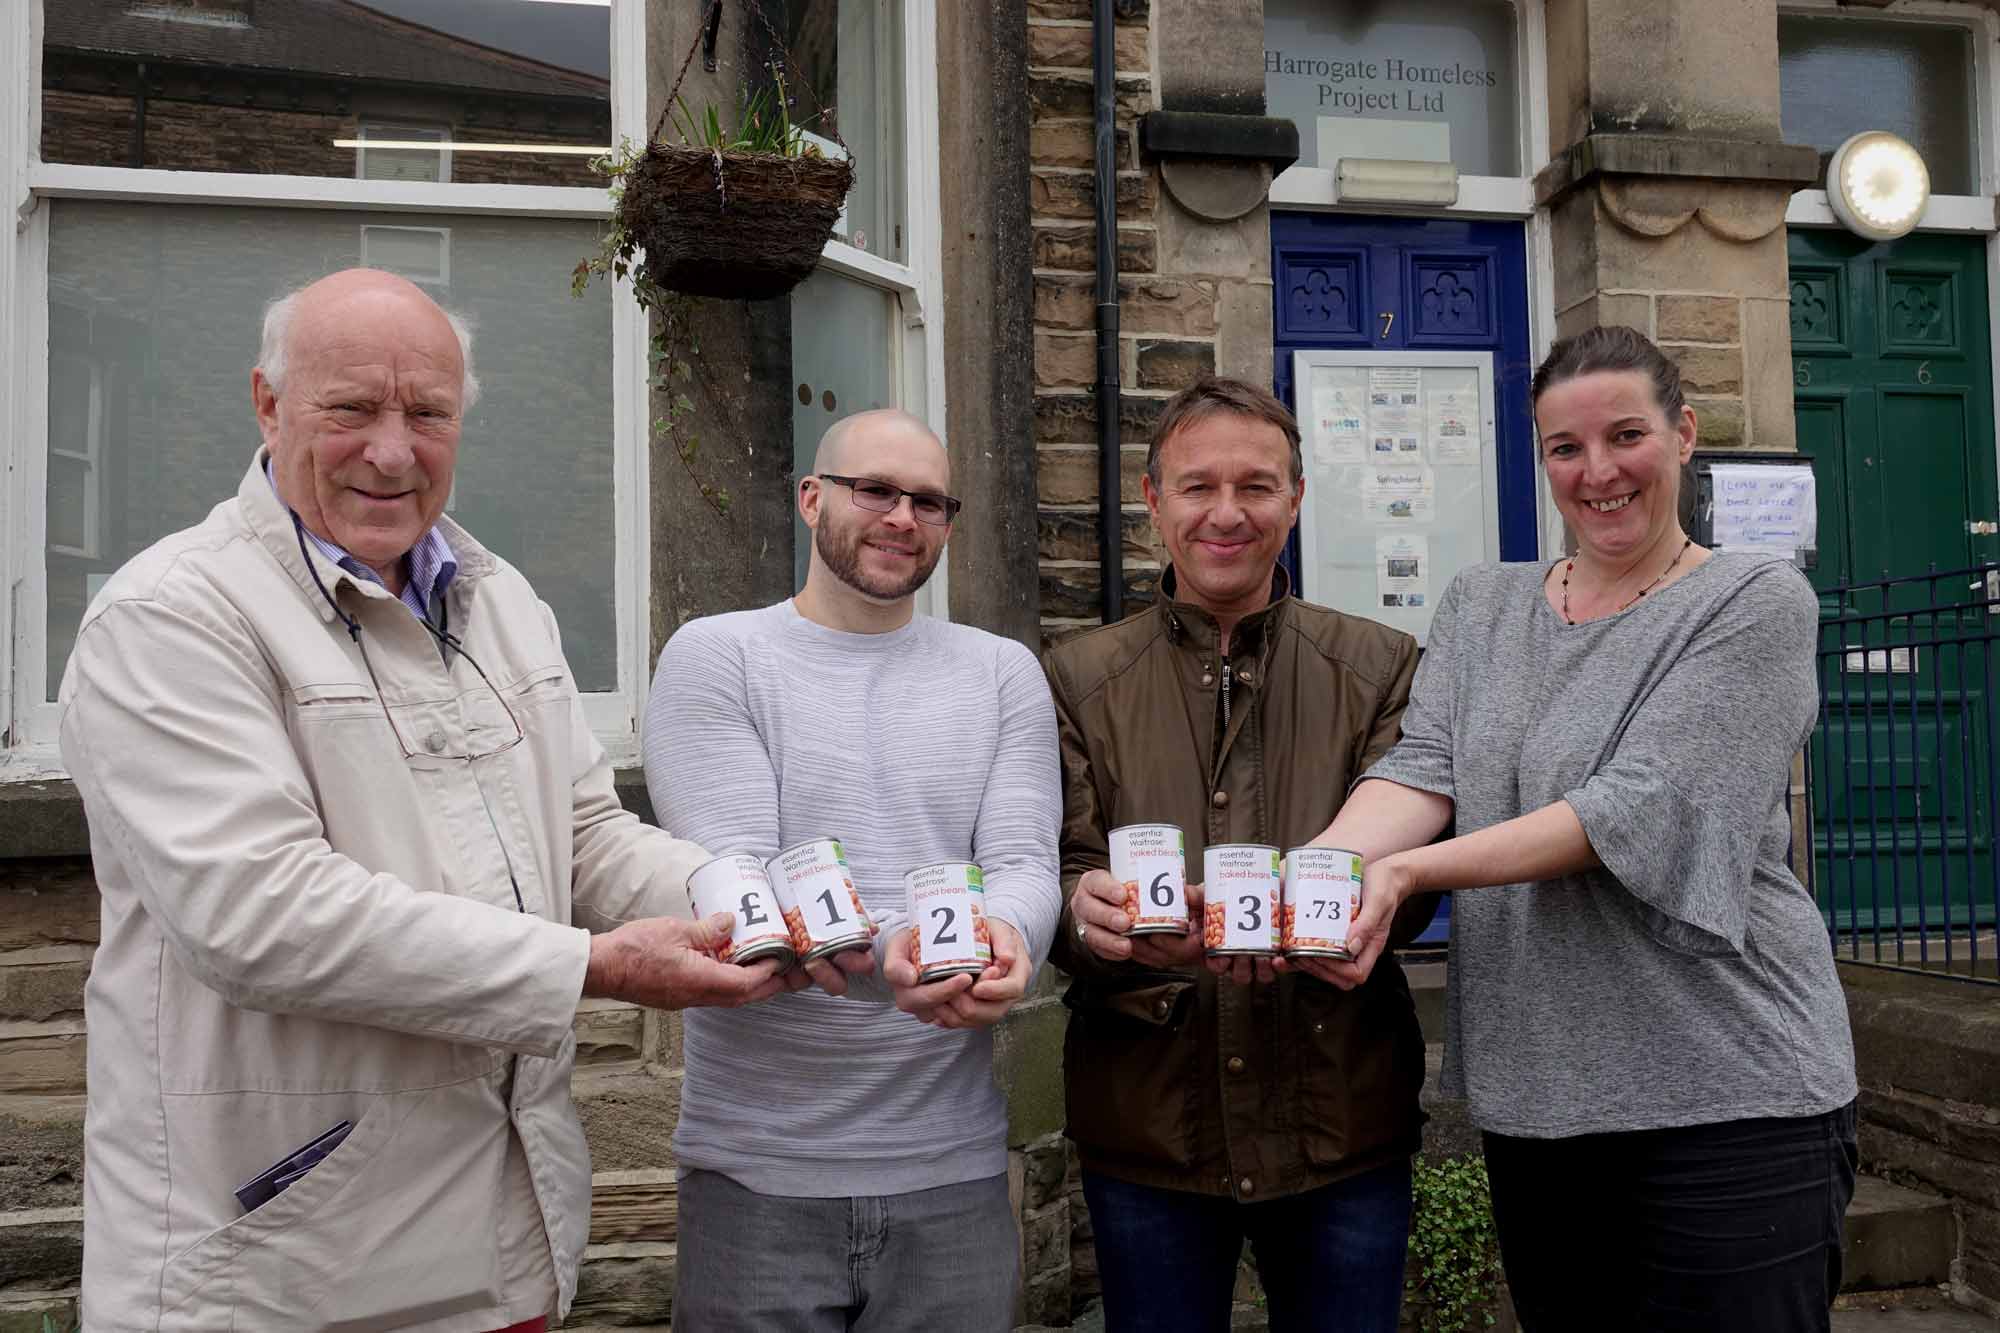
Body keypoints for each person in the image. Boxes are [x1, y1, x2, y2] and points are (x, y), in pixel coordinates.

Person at [58, 269, 784, 1332]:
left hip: (499, 1246)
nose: (392, 450)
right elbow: (260, 915)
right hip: (277, 1272)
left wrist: (743, 896)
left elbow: (583, 836)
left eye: (428, 414)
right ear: (267, 402)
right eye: (350, 407)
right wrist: (589, 967)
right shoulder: (170, 617)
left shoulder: (500, 603)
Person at [1316, 326, 1858, 1332]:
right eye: (1565, 448)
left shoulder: (1750, 600)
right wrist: (1305, 876)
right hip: (1541, 1101)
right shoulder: (1483, 605)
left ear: (1681, 433)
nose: (1596, 471)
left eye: (1624, 436)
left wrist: (1404, 876)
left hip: (1728, 1098)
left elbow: (1632, 809)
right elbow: (1419, 769)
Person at [643, 408, 1062, 1332]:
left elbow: (1025, 865)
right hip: (759, 1169)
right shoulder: (719, 656)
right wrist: (902, 966)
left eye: (929, 501)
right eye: (874, 489)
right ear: (810, 497)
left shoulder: (1001, 673)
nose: (902, 517)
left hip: (950, 1167)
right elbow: (747, 883)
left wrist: (1009, 940)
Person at [1044, 377, 1435, 1333]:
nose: (1227, 514)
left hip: (1341, 1118)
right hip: (1152, 1127)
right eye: (1197, 486)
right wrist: (1078, 914)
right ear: (1152, 499)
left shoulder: (1383, 664)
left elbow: (1419, 878)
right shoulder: (1075, 677)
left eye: (1257, 487)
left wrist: (1369, 908)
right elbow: (1049, 870)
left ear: (1296, 499)